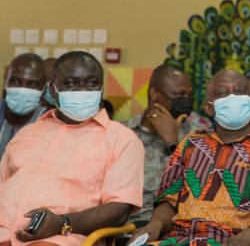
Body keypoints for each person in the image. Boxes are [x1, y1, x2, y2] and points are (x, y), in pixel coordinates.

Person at [128, 70, 250, 246]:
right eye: (222, 93)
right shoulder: (190, 143)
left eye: (239, 91)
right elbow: (169, 200)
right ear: (209, 108)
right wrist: (155, 224)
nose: (232, 97)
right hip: (179, 240)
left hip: (233, 242)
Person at [0, 51, 144, 245]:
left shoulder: (122, 139)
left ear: (101, 89)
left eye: (92, 83)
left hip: (63, 236)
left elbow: (119, 210)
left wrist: (62, 222)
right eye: (70, 83)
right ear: (52, 91)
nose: (82, 90)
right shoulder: (27, 133)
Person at [123, 64, 207, 222]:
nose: (186, 100)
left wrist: (172, 142)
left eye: (189, 95)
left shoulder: (200, 135)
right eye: (179, 94)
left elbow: (200, 190)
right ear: (154, 93)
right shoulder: (124, 133)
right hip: (126, 225)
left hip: (177, 225)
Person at [0, 53, 48, 158]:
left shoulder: (49, 124)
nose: (22, 89)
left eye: (32, 84)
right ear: (5, 83)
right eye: (15, 81)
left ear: (44, 90)